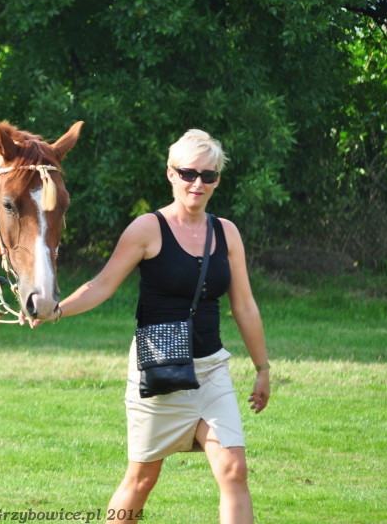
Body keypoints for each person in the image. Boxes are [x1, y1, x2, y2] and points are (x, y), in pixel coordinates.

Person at [46, 129, 270, 524]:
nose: (197, 183)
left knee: (234, 470)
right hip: (158, 367)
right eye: (188, 173)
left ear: (217, 179)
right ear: (171, 174)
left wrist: (262, 368)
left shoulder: (227, 232)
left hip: (211, 370)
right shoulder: (147, 229)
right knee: (142, 479)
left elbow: (245, 305)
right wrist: (57, 310)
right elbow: (101, 285)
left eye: (208, 175)